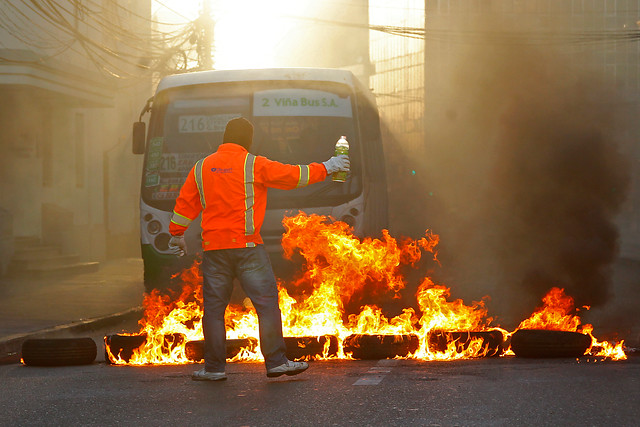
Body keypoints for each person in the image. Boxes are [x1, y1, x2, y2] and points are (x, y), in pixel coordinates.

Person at [168, 117, 350, 381]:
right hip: (247, 248)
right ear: (248, 140)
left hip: (214, 250)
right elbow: (292, 176)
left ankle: (214, 369)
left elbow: (185, 205)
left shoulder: (201, 168)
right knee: (265, 306)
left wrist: (177, 235)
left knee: (214, 312)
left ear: (224, 137)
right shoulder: (253, 164)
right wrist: (328, 167)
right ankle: (276, 362)